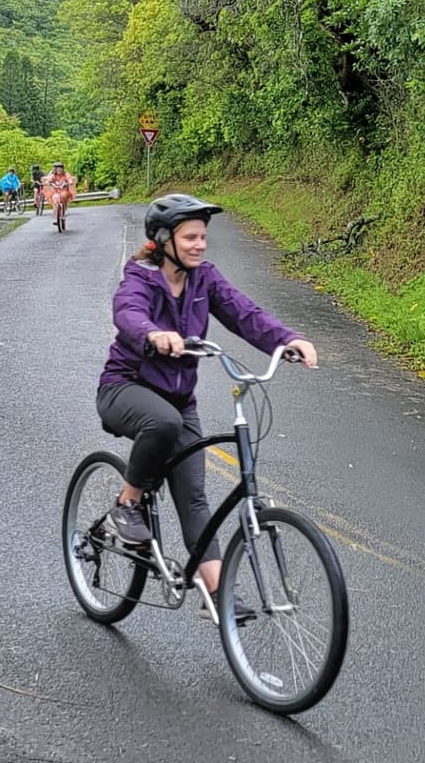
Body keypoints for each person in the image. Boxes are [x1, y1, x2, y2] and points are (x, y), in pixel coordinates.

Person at [94, 194, 319, 622]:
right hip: (125, 389)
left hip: (179, 399)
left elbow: (244, 313)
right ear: (164, 240)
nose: (200, 244)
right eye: (190, 237)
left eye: (203, 237)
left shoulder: (204, 279)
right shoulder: (139, 278)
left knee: (194, 495)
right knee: (164, 421)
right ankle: (126, 505)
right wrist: (154, 334)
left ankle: (215, 591)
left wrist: (287, 339)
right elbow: (128, 313)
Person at [42, 161, 77, 227]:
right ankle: (56, 218)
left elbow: (69, 178)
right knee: (55, 199)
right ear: (55, 169)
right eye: (57, 168)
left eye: (60, 168)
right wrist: (47, 182)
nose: (59, 169)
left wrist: (70, 182)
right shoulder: (53, 175)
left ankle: (63, 212)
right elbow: (49, 179)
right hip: (56, 192)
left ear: (62, 169)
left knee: (63, 197)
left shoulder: (65, 174)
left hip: (64, 191)